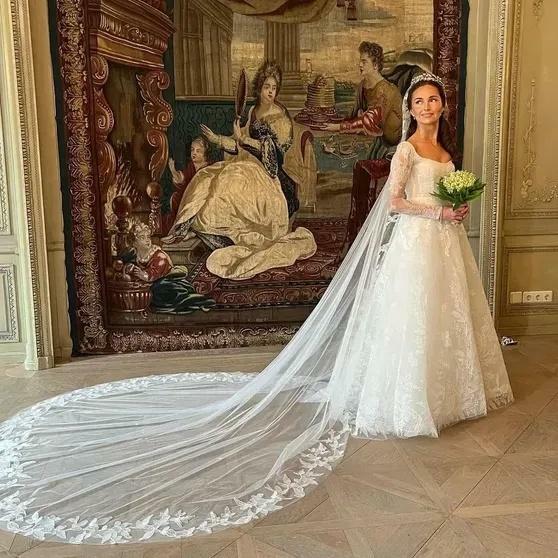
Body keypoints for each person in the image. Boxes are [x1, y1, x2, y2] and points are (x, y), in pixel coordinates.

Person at [0, 74, 513, 545]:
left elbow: (434, 195)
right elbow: (395, 202)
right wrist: (438, 211)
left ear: (443, 106)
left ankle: (448, 392)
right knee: (412, 320)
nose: (426, 107)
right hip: (417, 246)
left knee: (446, 317)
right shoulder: (405, 149)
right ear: (411, 108)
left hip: (444, 246)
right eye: (419, 101)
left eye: (432, 100)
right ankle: (408, 399)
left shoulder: (444, 150)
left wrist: (456, 208)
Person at [163, 60, 316, 280]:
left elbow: (273, 158)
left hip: (270, 176)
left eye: (274, 88)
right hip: (248, 166)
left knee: (229, 182)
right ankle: (195, 227)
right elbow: (238, 146)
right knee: (207, 176)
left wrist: (244, 140)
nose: (271, 92)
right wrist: (218, 139)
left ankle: (220, 232)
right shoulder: (253, 111)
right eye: (267, 87)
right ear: (259, 88)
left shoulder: (281, 118)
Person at [322, 41, 403, 158]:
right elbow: (354, 114)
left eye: (364, 62)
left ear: (375, 66)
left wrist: (338, 127)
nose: (360, 65)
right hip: (371, 136)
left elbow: (370, 121)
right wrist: (334, 121)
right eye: (360, 61)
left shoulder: (387, 90)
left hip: (389, 143)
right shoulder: (362, 85)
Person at [119, 222, 216, 314]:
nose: (147, 240)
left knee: (160, 290)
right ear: (134, 243)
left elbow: (154, 273)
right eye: (142, 237)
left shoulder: (159, 255)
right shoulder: (135, 254)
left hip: (168, 282)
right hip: (152, 284)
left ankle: (197, 301)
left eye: (148, 237)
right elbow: (125, 262)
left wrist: (143, 275)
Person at [164, 136, 211, 234]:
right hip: (190, 196)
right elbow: (183, 180)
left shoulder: (208, 168)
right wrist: (173, 170)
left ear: (205, 154)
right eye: (192, 150)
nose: (194, 153)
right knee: (176, 197)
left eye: (198, 151)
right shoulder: (191, 166)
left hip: (202, 199)